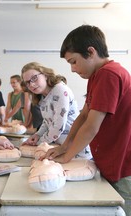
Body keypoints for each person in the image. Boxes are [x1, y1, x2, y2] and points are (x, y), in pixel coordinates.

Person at [43, 25, 131, 216]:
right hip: (110, 159)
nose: (73, 69)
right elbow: (83, 116)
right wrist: (64, 147)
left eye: (73, 62)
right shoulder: (96, 76)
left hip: (124, 165)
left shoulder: (109, 74)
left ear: (90, 52)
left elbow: (91, 127)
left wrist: (66, 158)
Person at [21, 61, 92, 159]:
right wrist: (37, 135)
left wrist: (39, 142)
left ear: (45, 75)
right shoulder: (42, 96)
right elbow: (47, 122)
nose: (32, 84)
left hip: (76, 149)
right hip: (61, 147)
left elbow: (58, 126)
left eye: (34, 78)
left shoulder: (60, 90)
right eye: (28, 82)